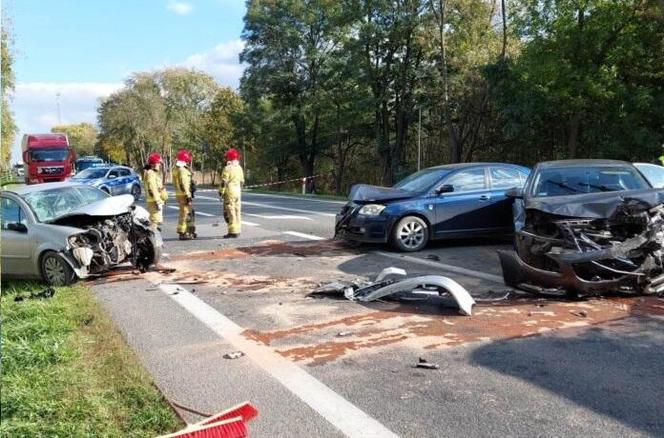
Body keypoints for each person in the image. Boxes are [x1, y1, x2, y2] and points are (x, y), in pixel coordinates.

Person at [219, 148, 244, 238]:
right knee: (237, 211)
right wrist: (239, 189)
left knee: (230, 211)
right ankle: (238, 229)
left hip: (230, 192)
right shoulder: (239, 168)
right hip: (238, 192)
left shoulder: (227, 168)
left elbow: (224, 182)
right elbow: (242, 181)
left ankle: (232, 232)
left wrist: (221, 192)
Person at [173, 149, 195, 240]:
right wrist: (188, 196)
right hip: (184, 195)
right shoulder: (182, 170)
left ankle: (189, 231)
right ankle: (182, 232)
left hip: (181, 194)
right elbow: (184, 184)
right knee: (185, 213)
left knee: (188, 213)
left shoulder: (178, 169)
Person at [143, 152, 165, 228]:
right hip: (154, 201)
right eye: (158, 163)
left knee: (156, 221)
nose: (159, 165)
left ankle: (154, 236)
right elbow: (152, 188)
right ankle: (152, 237)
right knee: (154, 221)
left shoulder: (152, 173)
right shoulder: (150, 173)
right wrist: (157, 201)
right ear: (154, 164)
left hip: (154, 200)